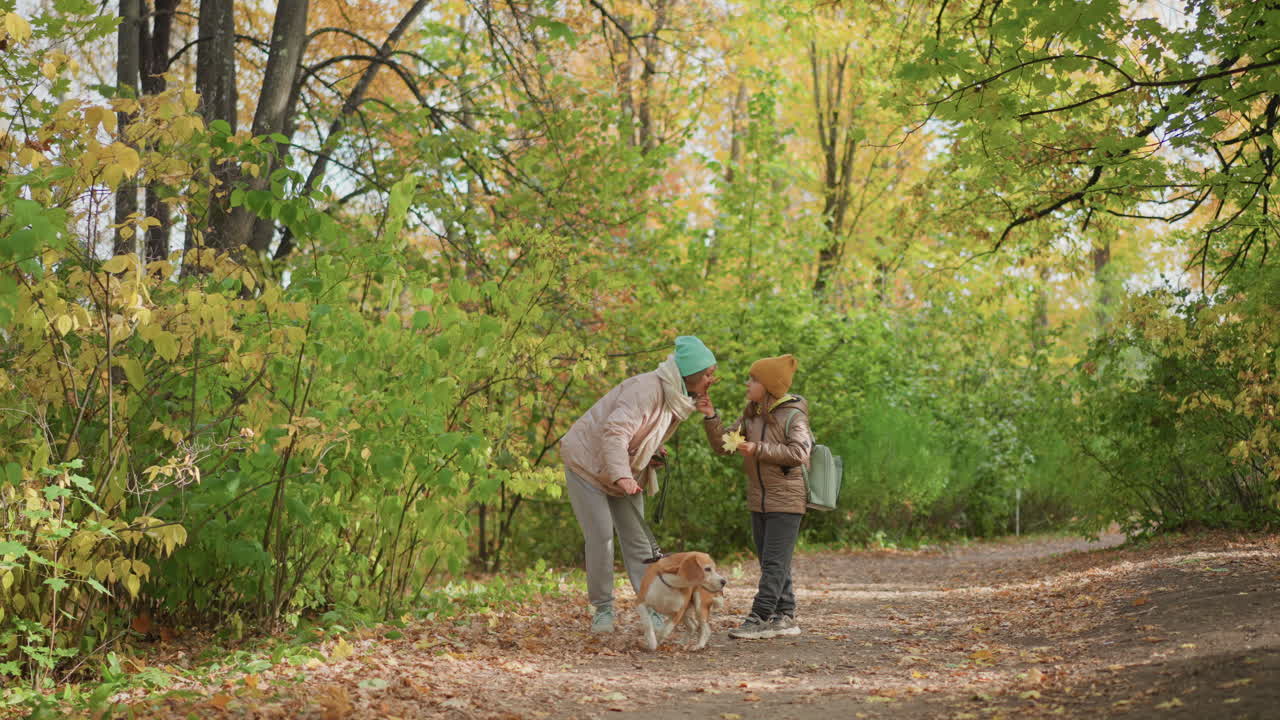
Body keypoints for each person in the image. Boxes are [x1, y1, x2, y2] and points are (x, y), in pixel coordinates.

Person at [560, 336, 718, 633]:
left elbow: (640, 433)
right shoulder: (646, 389)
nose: (712, 380)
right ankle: (603, 610)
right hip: (588, 465)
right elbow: (616, 432)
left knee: (640, 542)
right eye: (708, 374)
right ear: (690, 373)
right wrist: (623, 476)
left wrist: (651, 452)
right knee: (601, 537)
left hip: (623, 469)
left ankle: (654, 608)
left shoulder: (677, 397)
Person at [698, 353, 810, 639]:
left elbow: (800, 453)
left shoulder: (794, 415)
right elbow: (725, 445)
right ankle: (785, 616)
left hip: (786, 500)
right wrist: (711, 416)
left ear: (770, 385)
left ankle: (759, 619)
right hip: (759, 499)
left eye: (754, 379)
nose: (748, 384)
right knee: (772, 562)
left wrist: (758, 449)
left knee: (773, 564)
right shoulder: (752, 415)